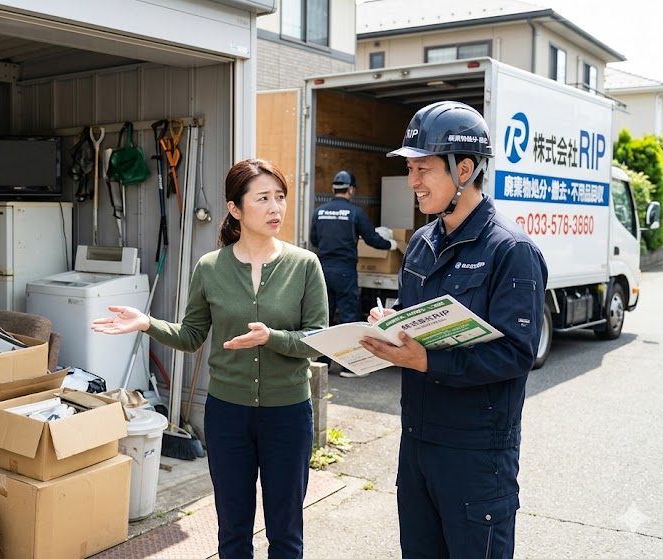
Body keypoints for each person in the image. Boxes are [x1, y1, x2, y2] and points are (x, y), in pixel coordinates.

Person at [92, 159, 327, 559]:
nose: (276, 208)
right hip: (228, 415)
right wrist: (146, 322)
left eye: (281, 198)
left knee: (286, 530)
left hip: (288, 413)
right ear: (235, 209)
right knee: (233, 529)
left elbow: (318, 339)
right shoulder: (211, 268)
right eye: (264, 198)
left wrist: (273, 338)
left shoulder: (304, 265)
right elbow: (191, 335)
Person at [358, 101, 547, 559]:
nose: (413, 181)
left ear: (464, 170)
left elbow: (518, 353)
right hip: (418, 443)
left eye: (424, 168)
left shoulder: (512, 251)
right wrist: (392, 324)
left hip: (477, 455)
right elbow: (418, 316)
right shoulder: (421, 245)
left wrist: (426, 359)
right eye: (410, 168)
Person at [309, 169, 396, 378]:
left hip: (323, 269)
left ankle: (323, 363)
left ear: (333, 189)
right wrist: (390, 244)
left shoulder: (319, 212)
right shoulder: (355, 213)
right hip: (345, 271)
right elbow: (372, 238)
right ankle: (349, 367)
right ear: (351, 189)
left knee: (326, 317)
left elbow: (313, 240)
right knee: (348, 318)